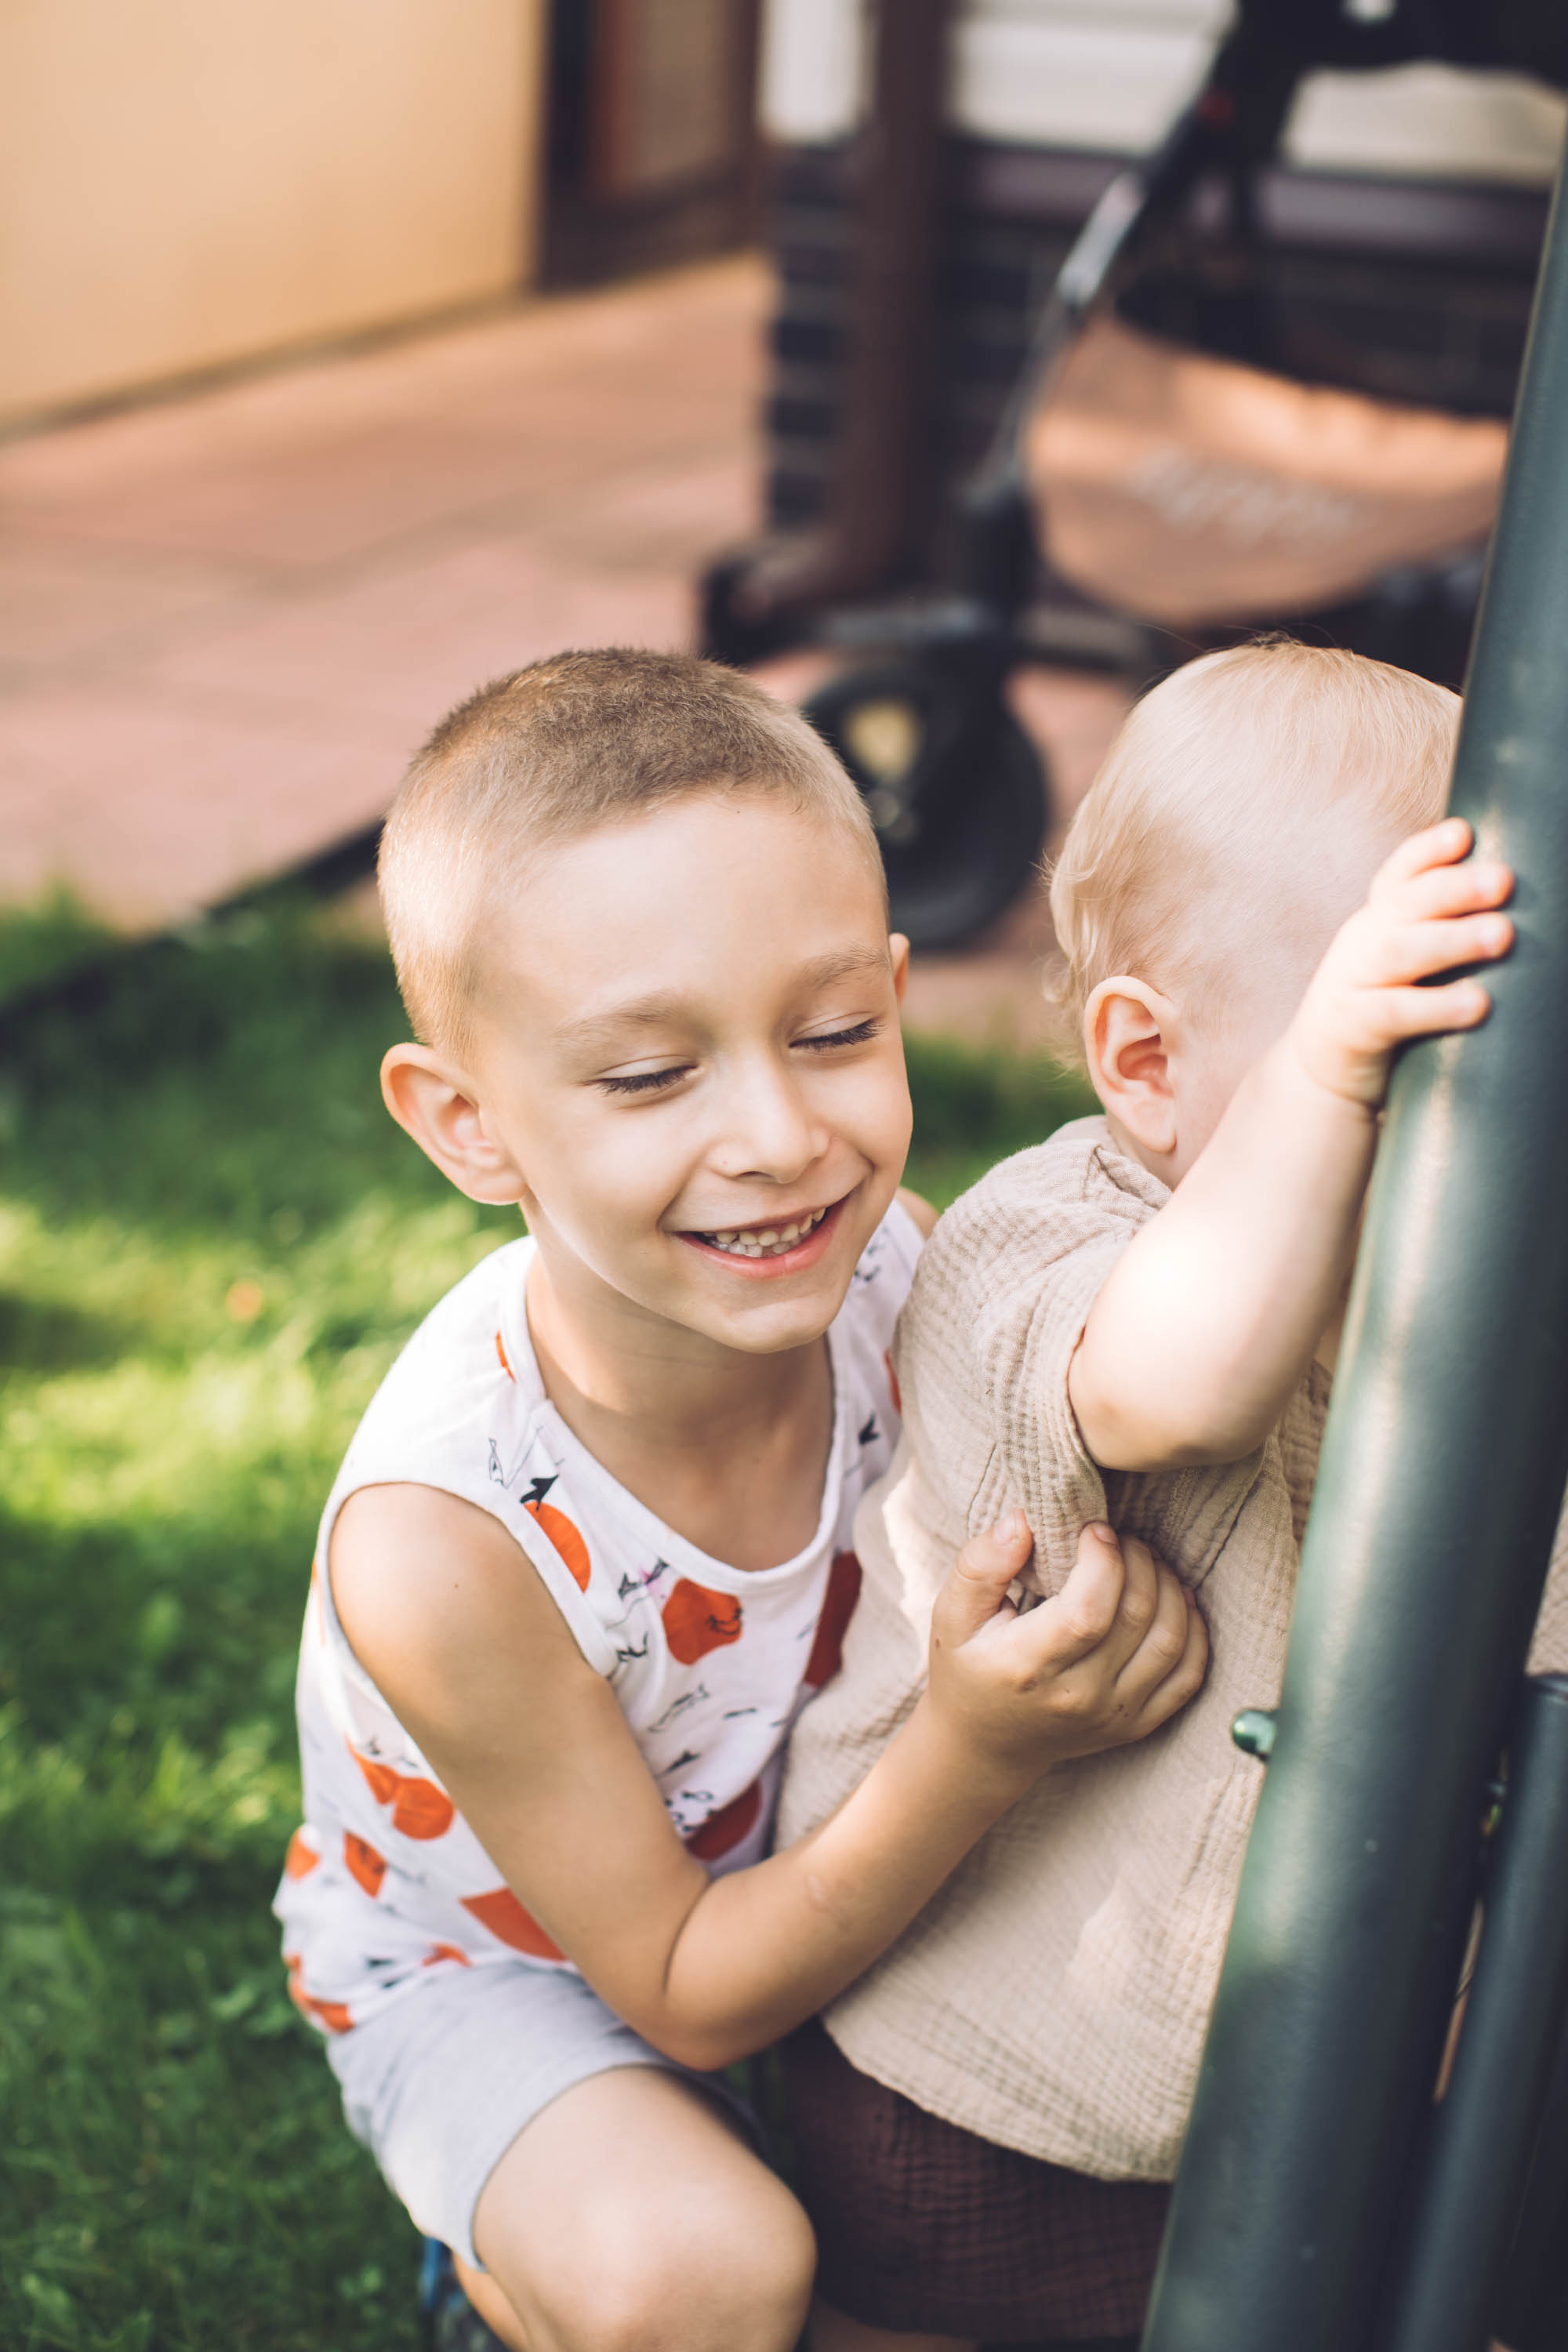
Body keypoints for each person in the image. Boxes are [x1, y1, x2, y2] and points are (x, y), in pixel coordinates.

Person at [271, 648, 1208, 2352]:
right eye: (649, 1076)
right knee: (702, 2278)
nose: (781, 1134)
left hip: (809, 1853)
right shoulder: (451, 1546)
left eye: (835, 1031)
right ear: (468, 1125)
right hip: (538, 1977)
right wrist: (978, 1753)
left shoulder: (896, 1275)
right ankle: (508, 2265)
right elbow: (686, 1994)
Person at [777, 639, 1568, 2351]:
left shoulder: (1484, 1318)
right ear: (1146, 1064)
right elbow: (1173, 1384)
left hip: (1335, 2104)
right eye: (1407, 1079)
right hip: (976, 2082)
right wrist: (1326, 1077)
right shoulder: (1037, 1247)